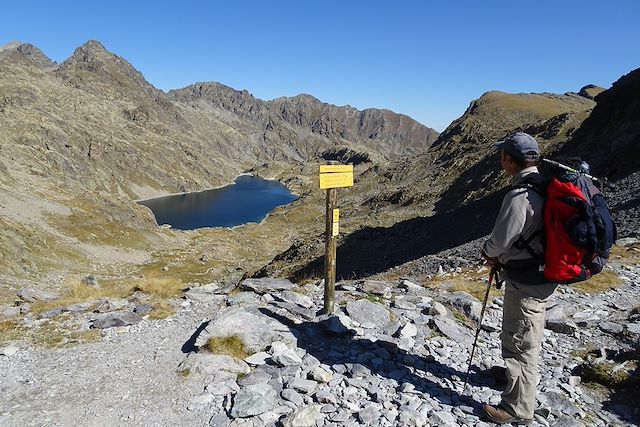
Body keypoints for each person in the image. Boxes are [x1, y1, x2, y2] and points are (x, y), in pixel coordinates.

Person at [481, 132, 558, 424]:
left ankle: (517, 408)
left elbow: (500, 241)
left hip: (528, 278)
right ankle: (514, 378)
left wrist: (487, 252)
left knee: (521, 339)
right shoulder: (544, 183)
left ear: (509, 161)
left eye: (503, 156)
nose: (501, 160)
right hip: (538, 274)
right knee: (522, 332)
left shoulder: (520, 196)